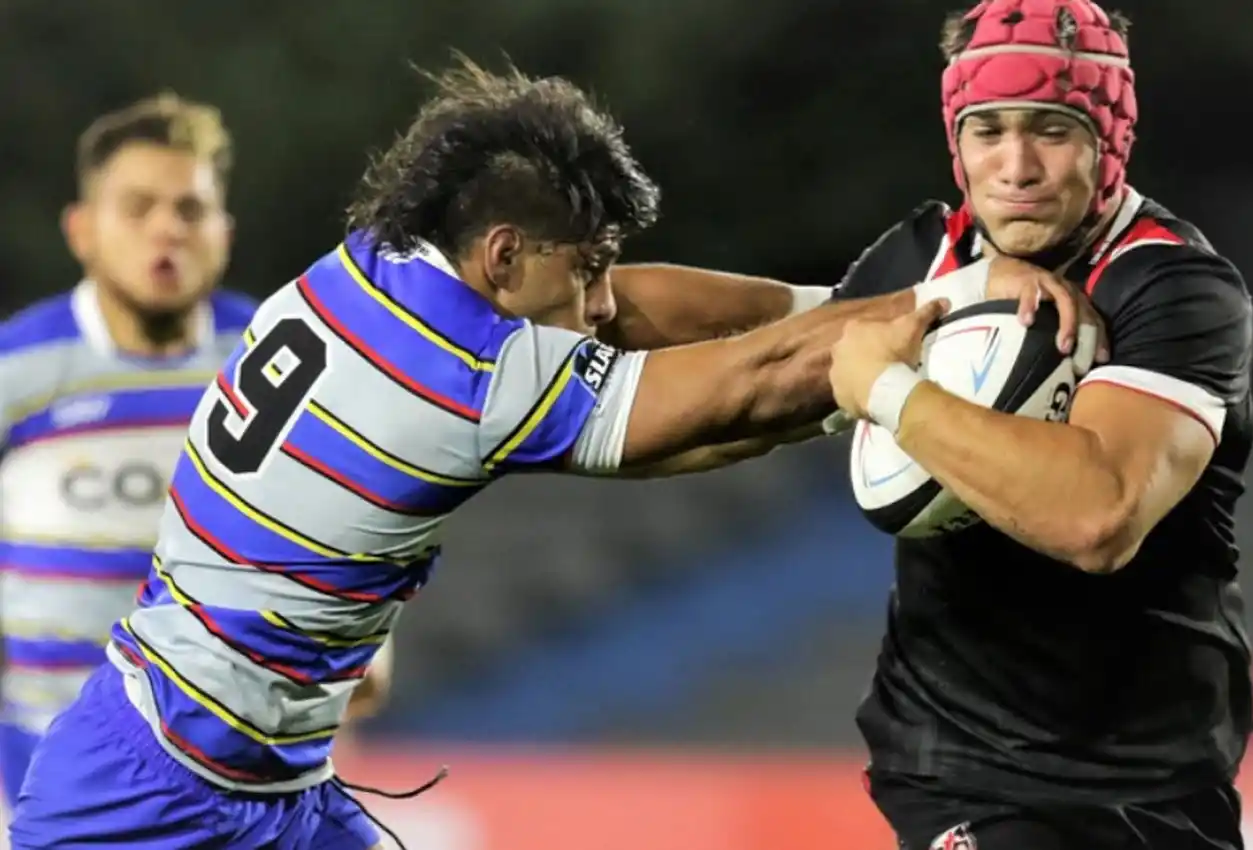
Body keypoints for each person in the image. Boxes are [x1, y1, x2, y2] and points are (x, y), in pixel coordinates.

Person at [8, 57, 1025, 850]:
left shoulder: (372, 266)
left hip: (264, 783)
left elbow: (638, 317)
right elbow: (734, 396)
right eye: (582, 268)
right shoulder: (457, 380)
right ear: (503, 255)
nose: (596, 301)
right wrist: (953, 307)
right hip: (144, 799)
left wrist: (828, 314)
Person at [604, 3, 1253, 848]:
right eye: (987, 130)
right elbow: (768, 343)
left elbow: (1097, 515)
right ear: (958, 141)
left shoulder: (1174, 290)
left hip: (1159, 776)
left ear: (1110, 137)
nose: (1015, 165)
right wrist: (554, 307)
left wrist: (889, 391)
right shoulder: (925, 262)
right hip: (965, 770)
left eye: (1051, 130)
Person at [0, 92, 259, 811]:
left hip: (233, 784)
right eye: (138, 207)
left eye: (189, 210)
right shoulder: (14, 368)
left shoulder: (269, 362)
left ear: (224, 232)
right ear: (82, 230)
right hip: (37, 776)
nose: (166, 230)